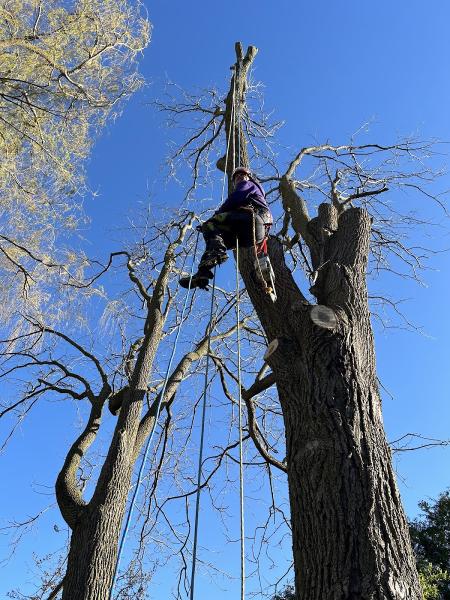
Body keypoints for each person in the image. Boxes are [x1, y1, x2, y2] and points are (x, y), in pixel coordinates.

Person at [180, 167, 273, 290]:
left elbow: (236, 198)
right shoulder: (251, 192)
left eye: (242, 174)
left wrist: (216, 216)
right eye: (236, 177)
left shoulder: (248, 184)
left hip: (254, 219)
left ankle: (216, 252)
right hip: (252, 234)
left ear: (248, 177)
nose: (239, 177)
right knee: (217, 239)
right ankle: (203, 272)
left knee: (210, 224)